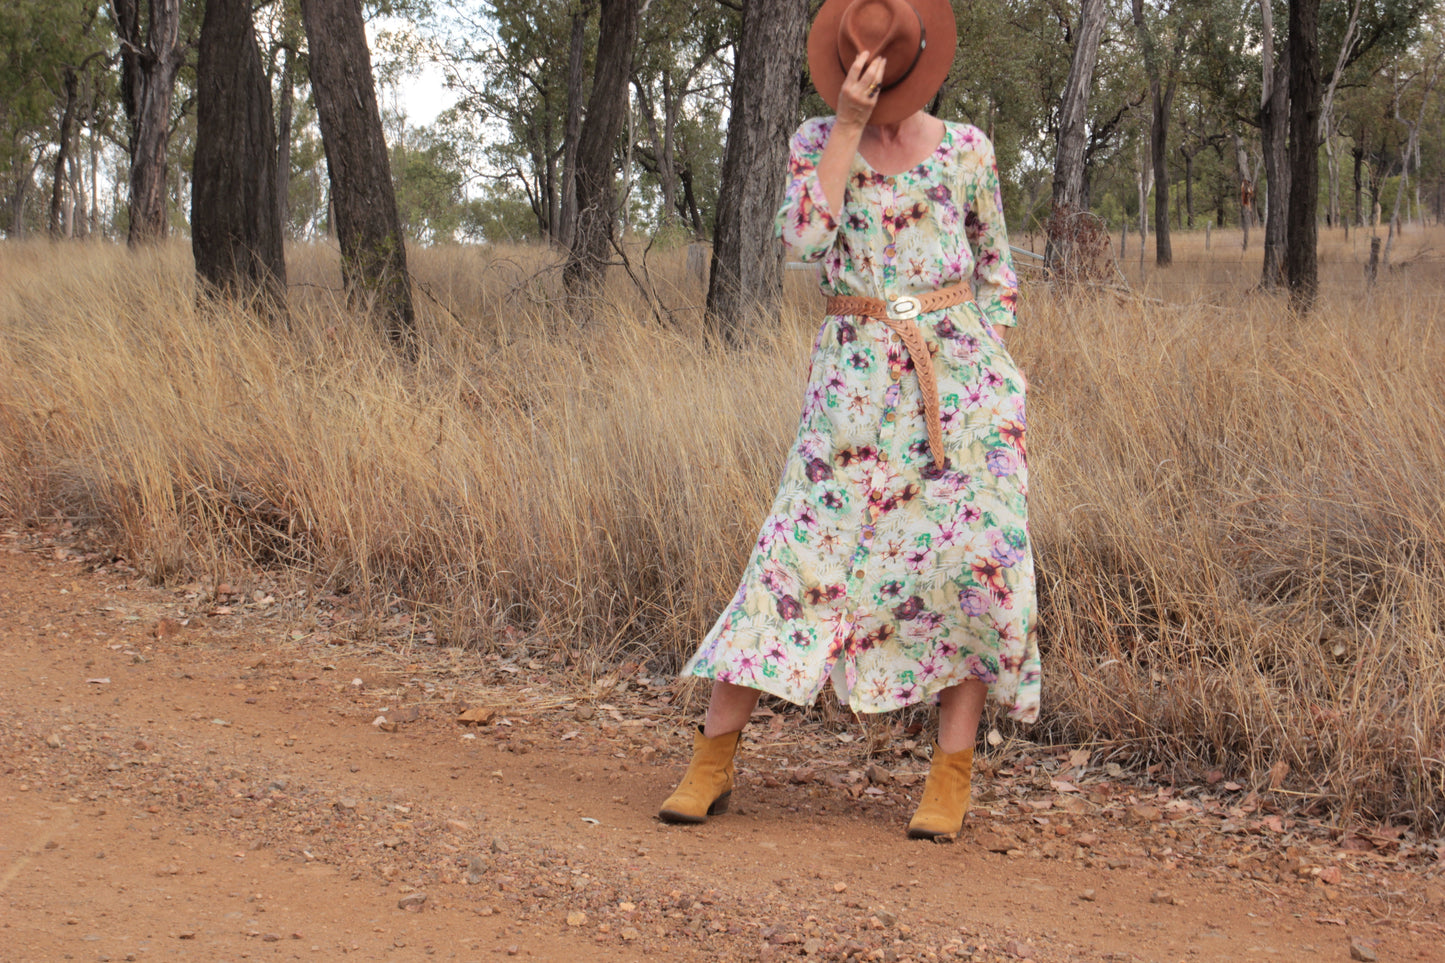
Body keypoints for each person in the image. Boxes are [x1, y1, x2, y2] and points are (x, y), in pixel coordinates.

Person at [659, 0, 1039, 839]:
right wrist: (845, 128)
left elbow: (996, 268)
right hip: (853, 381)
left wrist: (993, 369)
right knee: (793, 558)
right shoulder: (811, 141)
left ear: (920, 55)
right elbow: (800, 239)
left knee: (969, 565)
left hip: (959, 387)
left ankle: (950, 775)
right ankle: (712, 758)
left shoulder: (968, 148)